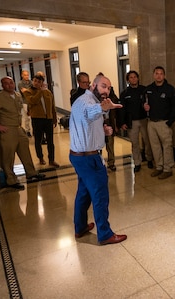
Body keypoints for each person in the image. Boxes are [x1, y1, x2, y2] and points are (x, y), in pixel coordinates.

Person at [69, 74, 127, 245]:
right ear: (93, 85)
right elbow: (89, 112)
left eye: (108, 88)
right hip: (88, 158)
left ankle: (79, 228)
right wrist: (104, 107)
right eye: (103, 86)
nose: (106, 90)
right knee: (100, 196)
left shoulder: (91, 101)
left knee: (84, 194)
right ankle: (105, 234)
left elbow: (88, 122)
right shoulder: (86, 102)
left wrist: (103, 131)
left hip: (80, 156)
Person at [0, 76, 45, 190]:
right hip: (7, 130)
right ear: (2, 86)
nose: (9, 85)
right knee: (8, 156)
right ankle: (11, 180)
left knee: (25, 152)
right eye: (6, 83)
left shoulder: (17, 95)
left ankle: (31, 173)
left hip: (18, 128)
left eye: (11, 82)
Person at [144, 66, 175, 179]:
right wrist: (144, 106)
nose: (158, 75)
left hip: (164, 123)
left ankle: (167, 169)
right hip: (151, 123)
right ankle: (159, 167)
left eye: (161, 74)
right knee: (155, 146)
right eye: (156, 73)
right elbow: (143, 102)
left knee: (167, 146)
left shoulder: (170, 89)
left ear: (164, 75)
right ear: (153, 75)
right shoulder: (149, 88)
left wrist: (170, 122)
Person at [120, 70, 153, 172]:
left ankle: (149, 159)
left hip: (144, 120)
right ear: (128, 80)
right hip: (132, 122)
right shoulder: (125, 93)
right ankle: (137, 162)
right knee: (135, 143)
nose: (133, 79)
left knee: (147, 141)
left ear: (138, 78)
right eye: (131, 77)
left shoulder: (144, 90)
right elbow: (122, 109)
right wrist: (122, 122)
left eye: (135, 77)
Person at [24, 74, 60, 168]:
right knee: (38, 140)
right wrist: (40, 91)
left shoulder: (48, 92)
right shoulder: (28, 92)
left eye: (39, 82)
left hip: (48, 119)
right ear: (33, 81)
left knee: (50, 141)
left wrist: (54, 118)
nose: (36, 83)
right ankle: (40, 158)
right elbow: (32, 101)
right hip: (37, 119)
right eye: (35, 81)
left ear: (42, 83)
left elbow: (52, 106)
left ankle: (51, 159)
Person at [17, 70, 32, 137]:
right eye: (25, 75)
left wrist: (27, 90)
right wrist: (30, 90)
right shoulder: (20, 83)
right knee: (27, 117)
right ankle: (27, 130)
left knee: (33, 117)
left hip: (32, 101)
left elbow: (34, 91)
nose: (27, 76)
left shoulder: (31, 82)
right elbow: (24, 92)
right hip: (25, 102)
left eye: (27, 75)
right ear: (22, 75)